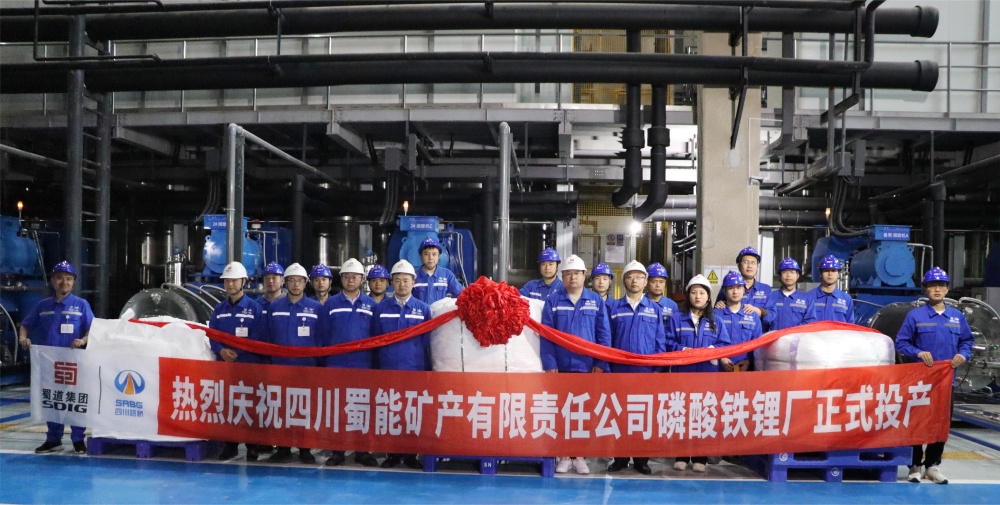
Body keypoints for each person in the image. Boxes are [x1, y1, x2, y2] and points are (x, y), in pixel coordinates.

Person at [895, 267, 974, 485]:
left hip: (945, 382)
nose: (937, 289)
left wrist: (963, 354)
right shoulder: (915, 316)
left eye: (941, 285)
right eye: (932, 286)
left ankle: (932, 465)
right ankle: (914, 465)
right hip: (920, 382)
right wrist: (918, 353)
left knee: (940, 423)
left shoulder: (957, 317)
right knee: (917, 421)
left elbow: (967, 341)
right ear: (925, 289)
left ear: (947, 289)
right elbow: (901, 342)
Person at [540, 254, 611, 475]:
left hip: (586, 367)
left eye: (576, 274)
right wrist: (550, 363)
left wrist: (600, 362)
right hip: (560, 367)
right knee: (561, 412)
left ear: (584, 276)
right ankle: (563, 455)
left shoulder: (595, 301)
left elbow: (603, 334)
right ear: (562, 277)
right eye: (568, 274)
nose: (572, 278)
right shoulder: (553, 301)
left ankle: (580, 456)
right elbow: (546, 335)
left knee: (584, 412)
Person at [18, 261, 93, 454]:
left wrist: (83, 340)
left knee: (75, 401)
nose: (64, 282)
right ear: (52, 280)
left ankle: (78, 439)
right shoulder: (43, 306)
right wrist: (23, 338)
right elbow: (25, 325)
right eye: (59, 278)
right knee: (52, 400)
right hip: (50, 364)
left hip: (73, 364)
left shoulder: (81, 305)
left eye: (68, 279)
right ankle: (53, 439)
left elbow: (92, 330)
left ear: (73, 282)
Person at [605, 261, 666, 475]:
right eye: (630, 276)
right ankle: (620, 458)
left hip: (645, 373)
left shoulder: (654, 309)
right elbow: (607, 341)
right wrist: (608, 369)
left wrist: (656, 371)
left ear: (645, 282)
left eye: (639, 277)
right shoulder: (613, 308)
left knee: (644, 416)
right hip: (619, 372)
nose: (634, 281)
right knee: (620, 415)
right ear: (624, 280)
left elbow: (660, 342)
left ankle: (641, 459)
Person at [319, 258, 380, 468]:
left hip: (363, 365)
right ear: (341, 279)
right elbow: (324, 334)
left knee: (362, 409)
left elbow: (377, 336)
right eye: (347, 276)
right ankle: (337, 451)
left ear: (362, 279)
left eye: (355, 276)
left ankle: (362, 451)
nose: (351, 280)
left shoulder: (371, 306)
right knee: (337, 409)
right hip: (336, 365)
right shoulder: (331, 304)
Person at [667, 274, 731, 473]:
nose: (697, 296)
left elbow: (725, 345)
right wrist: (683, 350)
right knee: (682, 413)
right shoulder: (676, 319)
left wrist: (713, 350)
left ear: (708, 297)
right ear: (688, 295)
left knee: (703, 415)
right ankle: (681, 455)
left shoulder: (716, 321)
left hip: (707, 375)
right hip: (682, 374)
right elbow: (667, 342)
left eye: (702, 293)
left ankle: (700, 457)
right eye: (694, 292)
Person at [373, 260, 432, 470]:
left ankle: (410, 454)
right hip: (388, 368)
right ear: (392, 283)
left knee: (411, 412)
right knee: (390, 412)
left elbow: (426, 341)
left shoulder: (423, 310)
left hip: (413, 369)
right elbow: (376, 338)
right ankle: (392, 453)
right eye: (397, 280)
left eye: (406, 280)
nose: (402, 284)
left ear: (413, 282)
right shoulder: (381, 309)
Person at [209, 262, 268, 461]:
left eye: (234, 280)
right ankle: (230, 445)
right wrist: (220, 350)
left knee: (250, 404)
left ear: (243, 281)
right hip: (226, 367)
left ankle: (252, 446)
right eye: (227, 281)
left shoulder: (255, 308)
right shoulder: (219, 309)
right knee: (228, 404)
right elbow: (212, 334)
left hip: (248, 364)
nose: (230, 284)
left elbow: (258, 335)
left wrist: (238, 352)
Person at [263, 262, 322, 464]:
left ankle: (305, 448)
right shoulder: (275, 307)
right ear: (285, 282)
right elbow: (268, 337)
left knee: (305, 409)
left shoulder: (316, 308)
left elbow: (321, 338)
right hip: (280, 368)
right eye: (292, 280)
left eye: (300, 281)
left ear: (306, 283)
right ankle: (283, 448)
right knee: (281, 408)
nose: (296, 284)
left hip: (306, 369)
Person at [715, 246, 773, 329]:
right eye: (746, 262)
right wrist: (720, 305)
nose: (749, 266)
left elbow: (771, 316)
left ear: (757, 267)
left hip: (759, 334)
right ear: (739, 266)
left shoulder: (766, 289)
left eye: (753, 263)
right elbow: (717, 314)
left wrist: (759, 311)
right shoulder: (728, 287)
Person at [718, 271, 762, 372]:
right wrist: (721, 359)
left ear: (744, 290)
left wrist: (748, 361)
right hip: (719, 371)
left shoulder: (753, 316)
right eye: (731, 288)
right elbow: (709, 344)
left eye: (739, 288)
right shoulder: (715, 315)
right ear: (724, 291)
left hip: (746, 371)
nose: (735, 292)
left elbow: (758, 345)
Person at [765, 257, 812, 331]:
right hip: (775, 337)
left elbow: (809, 323)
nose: (788, 275)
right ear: (779, 276)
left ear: (798, 275)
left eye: (792, 272)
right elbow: (764, 322)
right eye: (785, 272)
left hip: (797, 337)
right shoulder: (770, 297)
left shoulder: (807, 299)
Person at [412, 238, 463, 306]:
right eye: (426, 254)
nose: (430, 258)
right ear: (421, 257)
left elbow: (462, 295)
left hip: (439, 312)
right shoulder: (413, 275)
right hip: (419, 312)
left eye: (434, 254)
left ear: (438, 257)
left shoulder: (447, 275)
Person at [805, 255, 855, 323]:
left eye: (833, 270)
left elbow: (850, 325)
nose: (830, 274)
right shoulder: (808, 297)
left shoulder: (846, 299)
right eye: (826, 270)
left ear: (838, 273)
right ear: (820, 273)